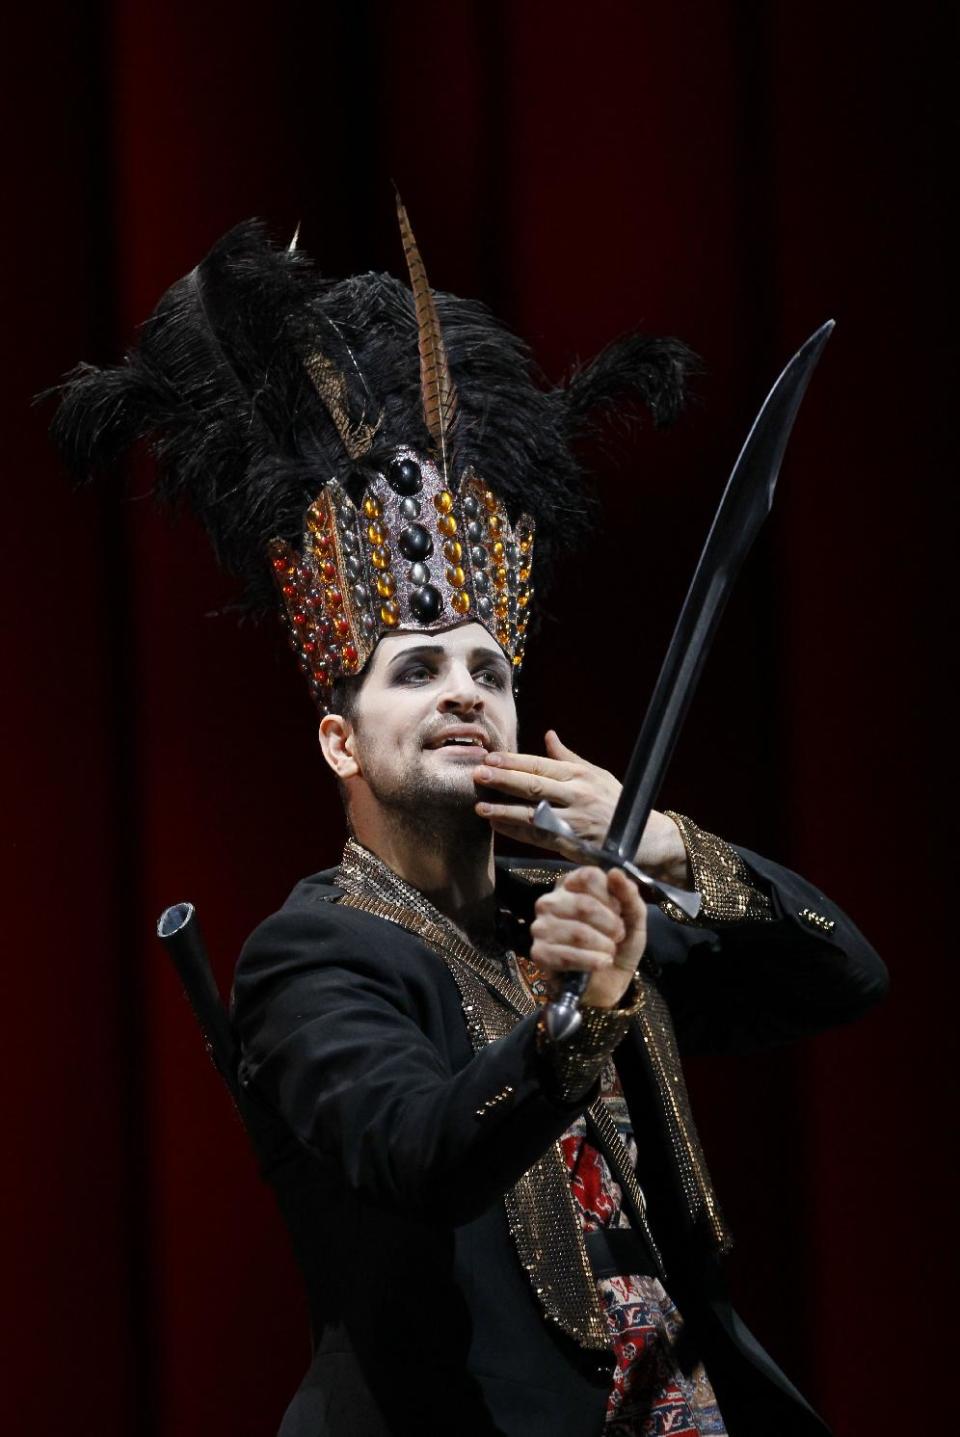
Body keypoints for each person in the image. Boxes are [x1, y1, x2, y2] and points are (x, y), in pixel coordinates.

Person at [51, 201, 888, 1436]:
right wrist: (577, 1016)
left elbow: (845, 977)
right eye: (415, 670)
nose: (463, 690)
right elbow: (427, 1152)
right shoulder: (316, 956)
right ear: (339, 739)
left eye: (490, 672)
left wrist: (657, 841)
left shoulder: (578, 905)